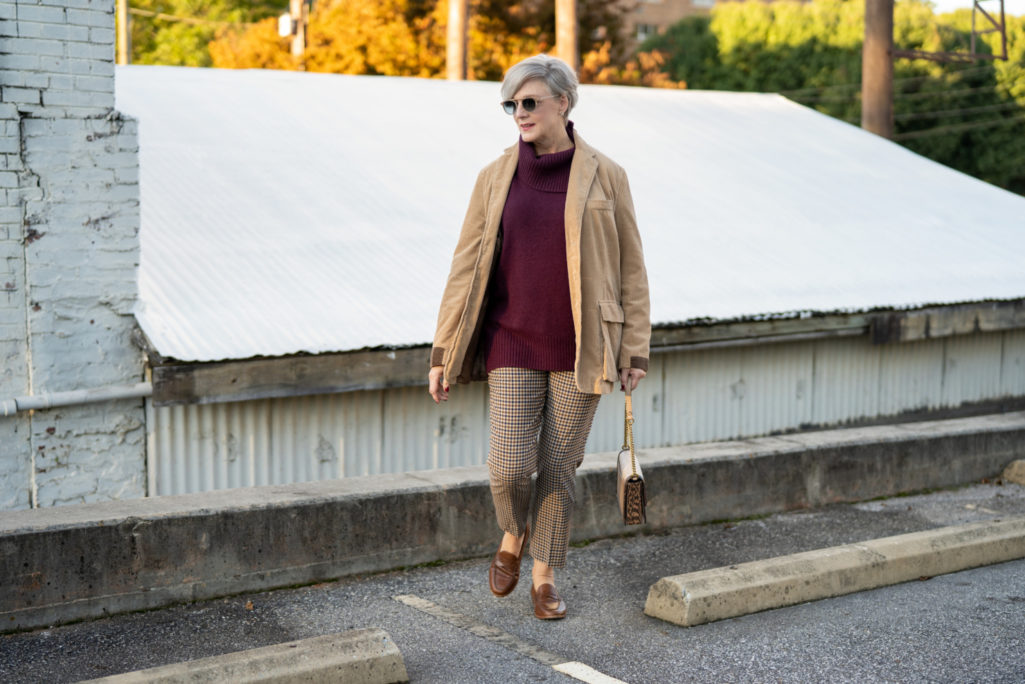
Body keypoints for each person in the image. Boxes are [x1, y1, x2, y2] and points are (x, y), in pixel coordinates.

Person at [428, 54, 650, 620]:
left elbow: (631, 269)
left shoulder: (608, 174)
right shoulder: (494, 177)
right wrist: (442, 350)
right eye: (511, 104)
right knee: (508, 465)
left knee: (557, 466)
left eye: (529, 102)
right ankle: (511, 535)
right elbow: (464, 266)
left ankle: (545, 577)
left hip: (584, 346)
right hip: (511, 340)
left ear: (562, 103)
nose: (519, 113)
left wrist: (635, 349)